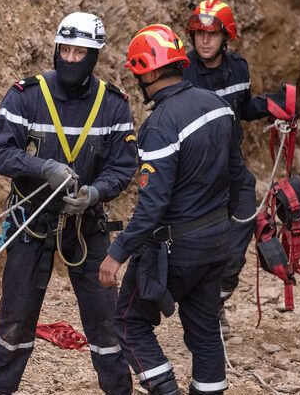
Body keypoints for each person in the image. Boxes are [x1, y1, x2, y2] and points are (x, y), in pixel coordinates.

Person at [0, 11, 136, 395]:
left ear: (94, 56)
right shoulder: (27, 96)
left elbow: (123, 166)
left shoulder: (113, 104)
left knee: (106, 324)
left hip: (86, 226)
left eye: (79, 53)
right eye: (64, 50)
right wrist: (41, 167)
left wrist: (96, 193)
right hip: (31, 222)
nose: (70, 59)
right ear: (55, 49)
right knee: (14, 324)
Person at [99, 24, 243, 395]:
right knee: (205, 329)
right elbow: (238, 175)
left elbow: (153, 205)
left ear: (147, 71)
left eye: (137, 73)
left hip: (178, 248)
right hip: (217, 241)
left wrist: (117, 254)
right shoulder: (218, 106)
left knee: (130, 322)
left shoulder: (160, 125)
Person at [183, 0, 287, 334]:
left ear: (225, 36)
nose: (205, 40)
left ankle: (214, 304)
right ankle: (191, 305)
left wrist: (273, 105)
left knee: (240, 232)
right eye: (199, 34)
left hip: (232, 167)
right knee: (198, 243)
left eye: (212, 34)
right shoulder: (180, 71)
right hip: (195, 172)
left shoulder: (239, 68)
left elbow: (241, 108)